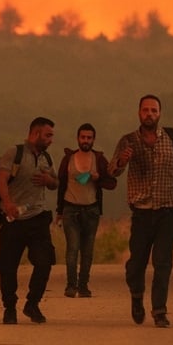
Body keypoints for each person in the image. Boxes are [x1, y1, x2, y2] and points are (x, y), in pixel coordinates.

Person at [108, 95, 173, 328]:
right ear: (139, 113)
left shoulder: (172, 138)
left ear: (160, 114)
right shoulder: (128, 141)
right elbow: (112, 172)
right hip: (142, 212)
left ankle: (160, 311)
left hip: (168, 210)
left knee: (163, 262)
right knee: (136, 264)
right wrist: (121, 161)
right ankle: (137, 297)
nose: (149, 114)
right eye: (145, 110)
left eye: (154, 110)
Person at [0, 116, 58, 324]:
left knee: (44, 261)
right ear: (35, 133)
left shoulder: (46, 159)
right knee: (8, 265)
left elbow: (55, 183)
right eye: (48, 135)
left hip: (38, 218)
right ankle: (9, 307)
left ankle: (32, 304)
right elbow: (1, 179)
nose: (51, 139)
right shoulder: (15, 153)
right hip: (13, 219)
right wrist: (7, 203)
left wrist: (49, 180)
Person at [56, 123, 118, 298]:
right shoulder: (67, 159)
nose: (85, 140)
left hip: (91, 210)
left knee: (88, 250)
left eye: (89, 138)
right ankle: (71, 285)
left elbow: (112, 183)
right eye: (83, 137)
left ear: (93, 139)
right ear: (78, 138)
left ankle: (83, 286)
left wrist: (98, 180)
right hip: (70, 208)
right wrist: (59, 211)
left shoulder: (99, 160)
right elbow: (61, 185)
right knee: (72, 248)